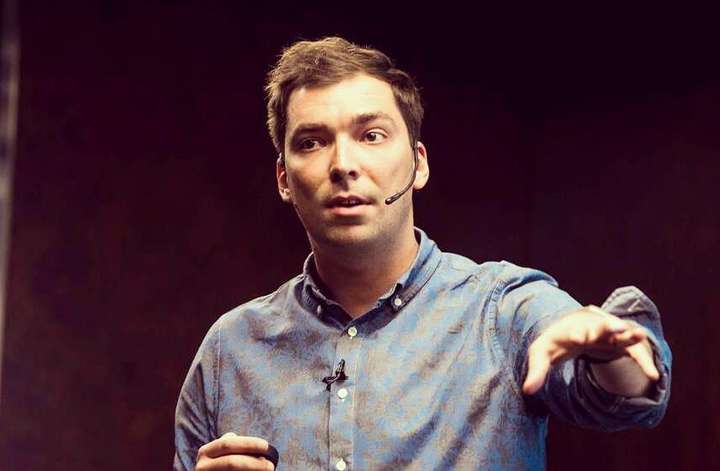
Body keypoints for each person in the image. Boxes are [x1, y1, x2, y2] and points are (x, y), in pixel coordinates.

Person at [174, 37, 671, 471]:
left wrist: (614, 354)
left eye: (371, 136)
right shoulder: (229, 352)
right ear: (285, 180)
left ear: (418, 165)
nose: (343, 164)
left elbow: (624, 395)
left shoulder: (503, 310)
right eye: (312, 142)